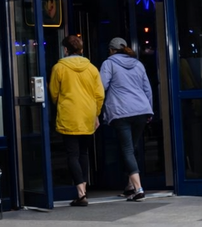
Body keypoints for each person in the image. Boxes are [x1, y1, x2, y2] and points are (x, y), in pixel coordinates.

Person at [49, 35, 104, 207]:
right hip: (88, 115)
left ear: (65, 50)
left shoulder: (59, 68)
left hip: (69, 115)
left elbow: (53, 93)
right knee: (84, 153)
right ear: (81, 49)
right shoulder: (92, 69)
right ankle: (84, 190)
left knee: (72, 154)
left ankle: (81, 193)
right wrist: (96, 113)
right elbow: (99, 95)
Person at [100, 37, 154, 202]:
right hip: (141, 110)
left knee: (127, 149)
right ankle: (130, 186)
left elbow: (101, 86)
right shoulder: (138, 64)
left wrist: (98, 109)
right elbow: (147, 88)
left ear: (111, 50)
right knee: (132, 147)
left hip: (121, 111)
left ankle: (138, 189)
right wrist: (149, 110)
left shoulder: (108, 64)